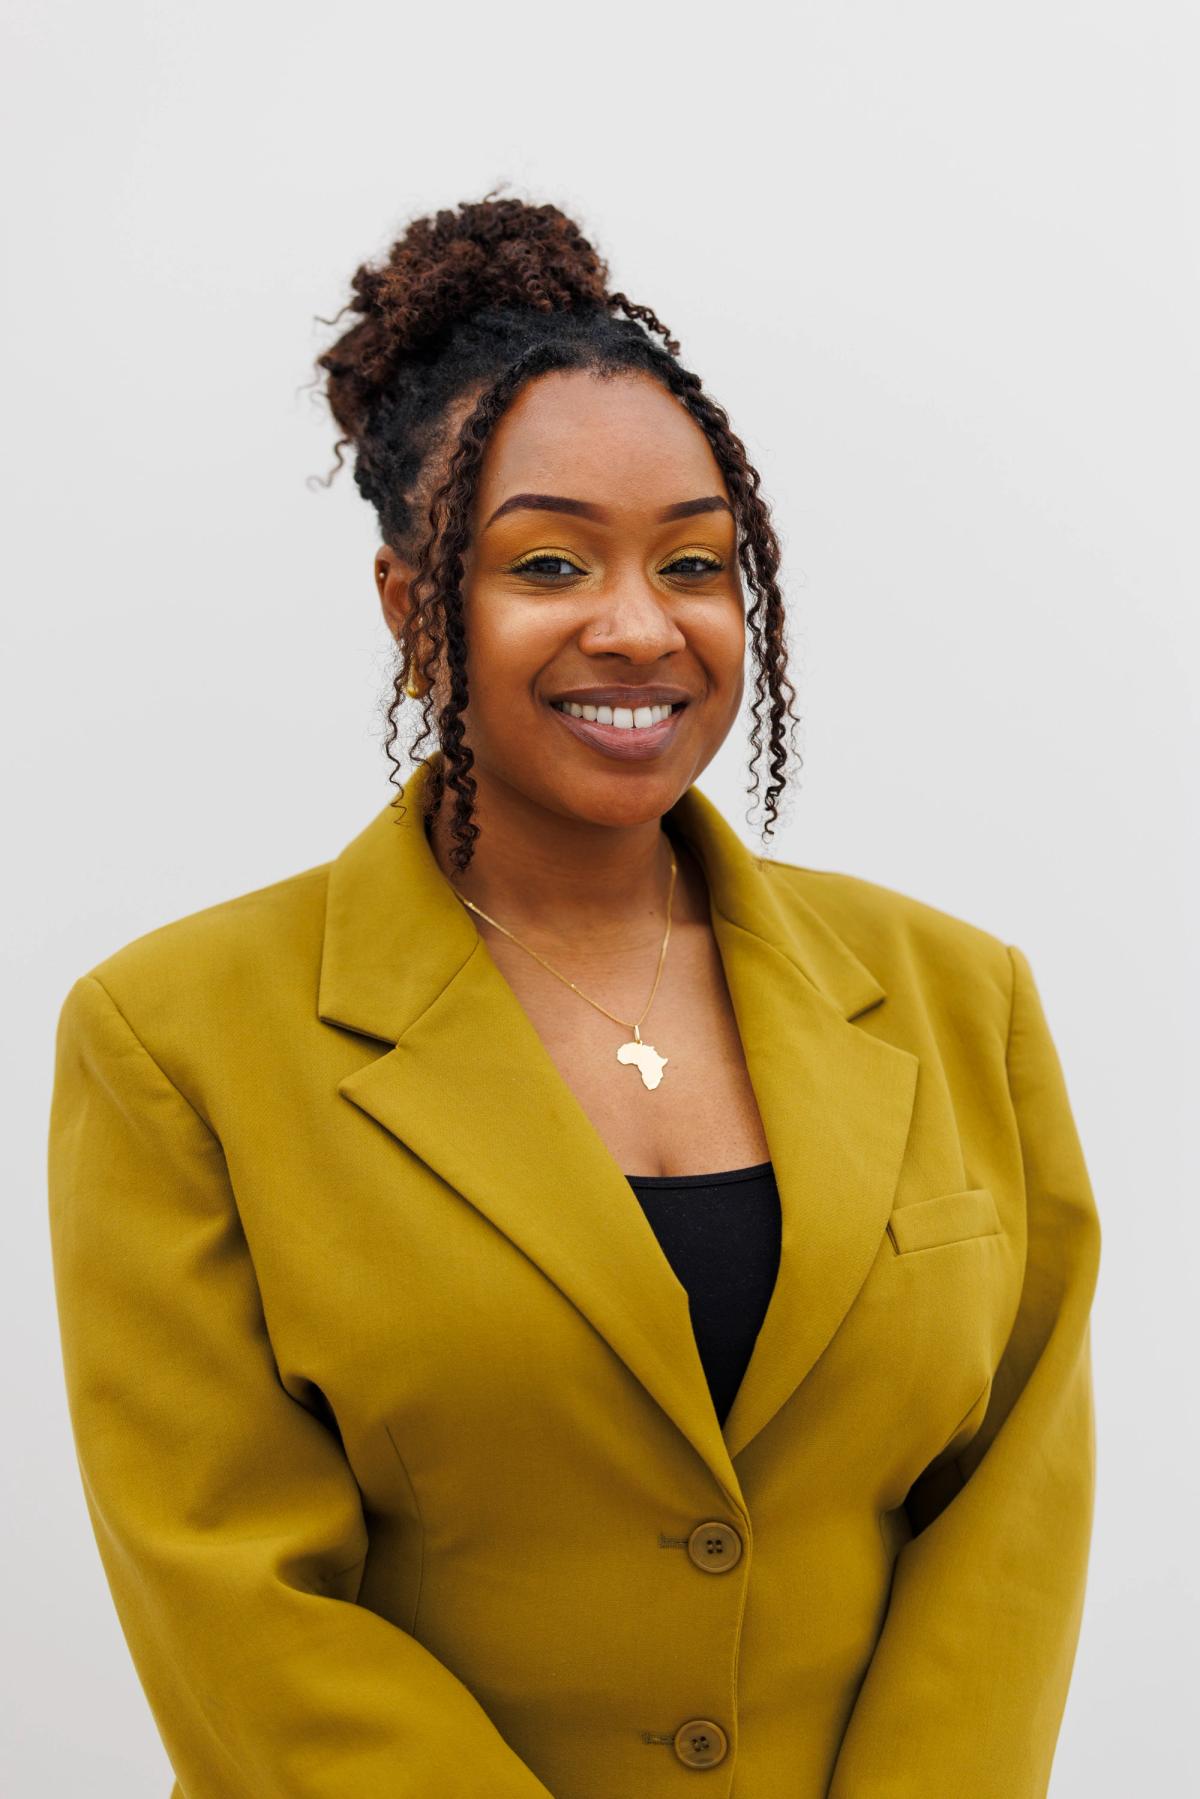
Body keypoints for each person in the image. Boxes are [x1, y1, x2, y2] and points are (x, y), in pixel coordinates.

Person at [47, 195, 1101, 1799]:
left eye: (695, 562)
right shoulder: (174, 1038)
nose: (638, 625)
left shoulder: (961, 997)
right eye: (551, 562)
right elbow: (234, 1602)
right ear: (414, 612)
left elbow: (1009, 1517)